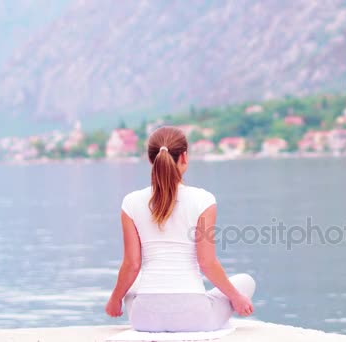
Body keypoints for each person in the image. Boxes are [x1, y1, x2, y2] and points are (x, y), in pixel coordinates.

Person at [104, 126, 255, 332]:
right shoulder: (204, 200)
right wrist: (236, 298)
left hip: (145, 320)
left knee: (134, 283)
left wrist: (115, 299)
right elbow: (207, 263)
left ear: (150, 160)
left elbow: (132, 264)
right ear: (184, 157)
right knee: (245, 282)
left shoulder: (130, 202)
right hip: (194, 318)